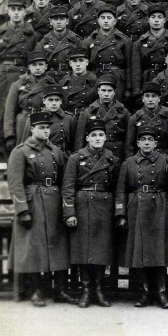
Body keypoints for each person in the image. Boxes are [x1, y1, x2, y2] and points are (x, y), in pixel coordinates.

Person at [7, 111, 76, 307]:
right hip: (33, 202)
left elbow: (64, 180)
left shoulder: (55, 151)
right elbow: (15, 183)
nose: (46, 131)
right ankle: (35, 290)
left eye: (48, 128)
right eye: (41, 128)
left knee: (58, 245)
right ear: (32, 129)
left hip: (54, 201)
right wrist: (22, 209)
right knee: (34, 247)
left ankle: (60, 290)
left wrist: (66, 207)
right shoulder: (20, 152)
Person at [115, 126, 168, 309]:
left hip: (159, 207)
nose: (146, 143)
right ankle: (145, 292)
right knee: (140, 252)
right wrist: (120, 213)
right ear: (137, 143)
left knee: (159, 252)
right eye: (143, 140)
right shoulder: (128, 163)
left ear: (155, 143)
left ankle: (161, 293)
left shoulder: (166, 161)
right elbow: (121, 190)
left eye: (150, 140)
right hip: (136, 207)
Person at [61, 119, 120, 308]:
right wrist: (69, 212)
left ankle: (99, 289)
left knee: (102, 249)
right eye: (93, 135)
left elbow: (118, 188)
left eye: (100, 135)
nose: (97, 138)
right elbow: (68, 187)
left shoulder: (113, 159)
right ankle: (86, 289)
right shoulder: (76, 158)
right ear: (87, 138)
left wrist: (118, 212)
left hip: (105, 204)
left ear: (105, 137)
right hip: (83, 203)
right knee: (83, 249)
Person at [0, 0, 38, 148]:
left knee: (18, 111)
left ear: (25, 12)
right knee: (1, 109)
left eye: (20, 9)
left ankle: (18, 145)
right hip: (3, 75)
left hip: (22, 75)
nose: (17, 13)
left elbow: (34, 57)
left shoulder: (32, 35)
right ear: (8, 11)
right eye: (13, 9)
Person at [3, 50, 58, 156]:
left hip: (44, 121)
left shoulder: (52, 83)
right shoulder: (18, 84)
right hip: (24, 122)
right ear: (29, 66)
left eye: (40, 64)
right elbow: (9, 111)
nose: (37, 68)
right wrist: (9, 135)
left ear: (46, 66)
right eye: (34, 65)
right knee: (23, 153)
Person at [131, 3, 168, 104]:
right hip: (148, 79)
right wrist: (137, 90)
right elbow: (136, 68)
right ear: (148, 20)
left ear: (164, 20)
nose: (156, 20)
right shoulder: (140, 42)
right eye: (153, 17)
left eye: (160, 17)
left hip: (167, 77)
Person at [74, 74, 131, 162]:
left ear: (114, 92)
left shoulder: (124, 112)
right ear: (98, 91)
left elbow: (129, 140)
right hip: (94, 155)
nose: (106, 94)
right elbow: (79, 141)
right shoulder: (87, 112)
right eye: (103, 90)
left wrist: (128, 160)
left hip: (117, 154)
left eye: (109, 91)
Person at [82, 4, 133, 102]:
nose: (106, 21)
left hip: (117, 79)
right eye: (103, 18)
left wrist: (128, 88)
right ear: (98, 20)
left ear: (115, 21)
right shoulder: (89, 40)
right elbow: (85, 66)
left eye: (109, 18)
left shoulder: (124, 40)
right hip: (97, 77)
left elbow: (129, 66)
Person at [125, 82, 168, 163]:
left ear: (159, 98)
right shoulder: (135, 118)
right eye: (147, 96)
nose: (150, 99)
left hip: (164, 159)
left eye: (154, 96)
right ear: (143, 98)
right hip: (141, 160)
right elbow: (129, 146)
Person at [20, 85, 76, 155]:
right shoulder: (34, 118)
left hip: (63, 157)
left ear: (61, 101)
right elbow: (26, 144)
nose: (54, 103)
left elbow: (75, 145)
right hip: (42, 158)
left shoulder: (69, 118)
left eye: (57, 100)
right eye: (50, 100)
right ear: (44, 101)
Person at [38, 5, 83, 81]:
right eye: (55, 19)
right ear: (51, 22)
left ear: (67, 21)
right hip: (50, 78)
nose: (59, 22)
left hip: (70, 78)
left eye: (62, 19)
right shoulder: (44, 41)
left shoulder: (76, 40)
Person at [58, 49, 98, 117]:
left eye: (81, 60)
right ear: (70, 64)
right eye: (74, 61)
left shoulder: (95, 82)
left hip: (87, 118)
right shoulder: (63, 82)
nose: (78, 64)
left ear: (87, 62)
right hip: (69, 118)